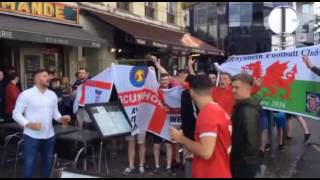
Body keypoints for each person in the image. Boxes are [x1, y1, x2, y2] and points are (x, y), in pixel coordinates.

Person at [170, 75, 232, 178]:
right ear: (211, 90)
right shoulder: (216, 109)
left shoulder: (207, 114)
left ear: (191, 92)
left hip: (211, 173)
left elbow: (206, 152)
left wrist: (181, 138)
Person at [12, 69, 71, 178]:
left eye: (48, 76)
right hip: (31, 136)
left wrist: (62, 118)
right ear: (36, 78)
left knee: (47, 165)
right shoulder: (26, 94)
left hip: (49, 136)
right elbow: (16, 114)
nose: (48, 78)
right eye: (45, 76)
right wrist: (28, 124)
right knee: (29, 165)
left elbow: (55, 114)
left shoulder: (52, 94)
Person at [230, 73, 262, 178]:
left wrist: (240, 161)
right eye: (232, 87)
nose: (233, 90)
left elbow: (251, 143)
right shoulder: (241, 107)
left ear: (247, 88)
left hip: (244, 165)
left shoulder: (248, 111)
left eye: (236, 88)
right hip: (241, 162)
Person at [150, 73, 175, 176]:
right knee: (156, 145)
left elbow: (176, 105)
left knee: (169, 145)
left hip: (169, 121)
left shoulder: (173, 92)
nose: (164, 82)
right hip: (157, 121)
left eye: (166, 80)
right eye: (163, 80)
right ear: (160, 81)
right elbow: (152, 104)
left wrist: (170, 108)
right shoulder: (156, 91)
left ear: (169, 81)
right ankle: (157, 166)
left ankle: (168, 167)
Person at [180, 74, 198, 178]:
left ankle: (186, 164)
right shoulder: (194, 94)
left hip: (187, 125)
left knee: (187, 147)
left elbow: (183, 111)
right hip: (195, 124)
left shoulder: (184, 93)